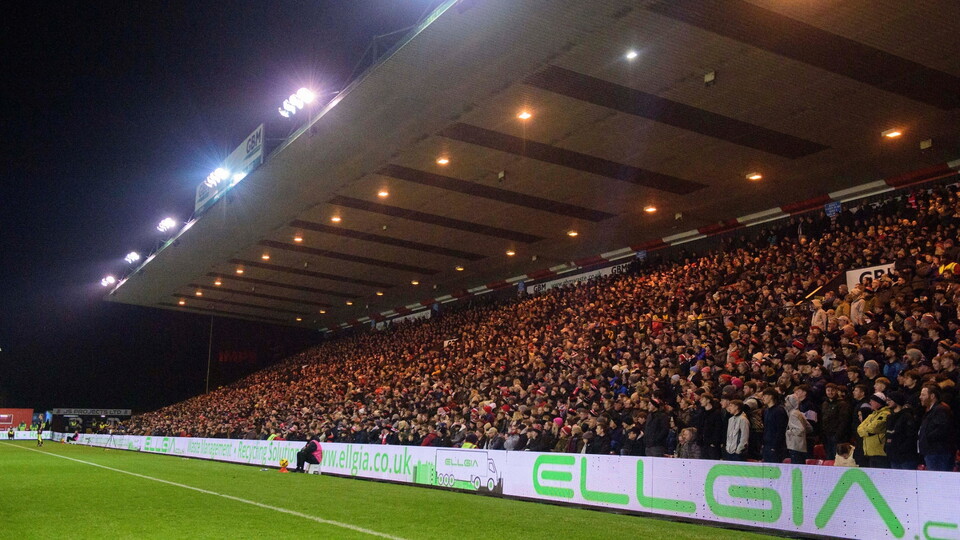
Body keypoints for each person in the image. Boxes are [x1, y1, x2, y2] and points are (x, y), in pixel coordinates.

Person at [918, 384, 958, 471]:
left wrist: (926, 437)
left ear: (932, 396)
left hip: (938, 453)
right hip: (933, 452)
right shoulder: (932, 410)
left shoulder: (941, 410)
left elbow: (942, 430)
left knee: (939, 481)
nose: (920, 397)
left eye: (923, 395)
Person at [883, 391, 919, 470]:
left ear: (896, 400)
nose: (887, 402)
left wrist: (901, 449)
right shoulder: (890, 417)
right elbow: (888, 434)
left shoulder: (907, 416)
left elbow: (911, 436)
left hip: (906, 457)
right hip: (893, 456)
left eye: (889, 400)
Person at [857, 393, 891, 468]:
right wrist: (868, 432)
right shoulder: (872, 415)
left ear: (878, 402)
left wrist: (866, 431)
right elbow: (859, 428)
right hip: (870, 452)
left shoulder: (885, 414)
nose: (870, 403)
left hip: (880, 452)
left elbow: (873, 428)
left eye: (872, 401)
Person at [761, 389, 788, 463]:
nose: (763, 398)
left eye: (765, 396)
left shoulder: (779, 410)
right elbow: (766, 428)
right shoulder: (766, 411)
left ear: (771, 397)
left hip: (775, 446)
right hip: (767, 444)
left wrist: (775, 446)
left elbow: (781, 430)